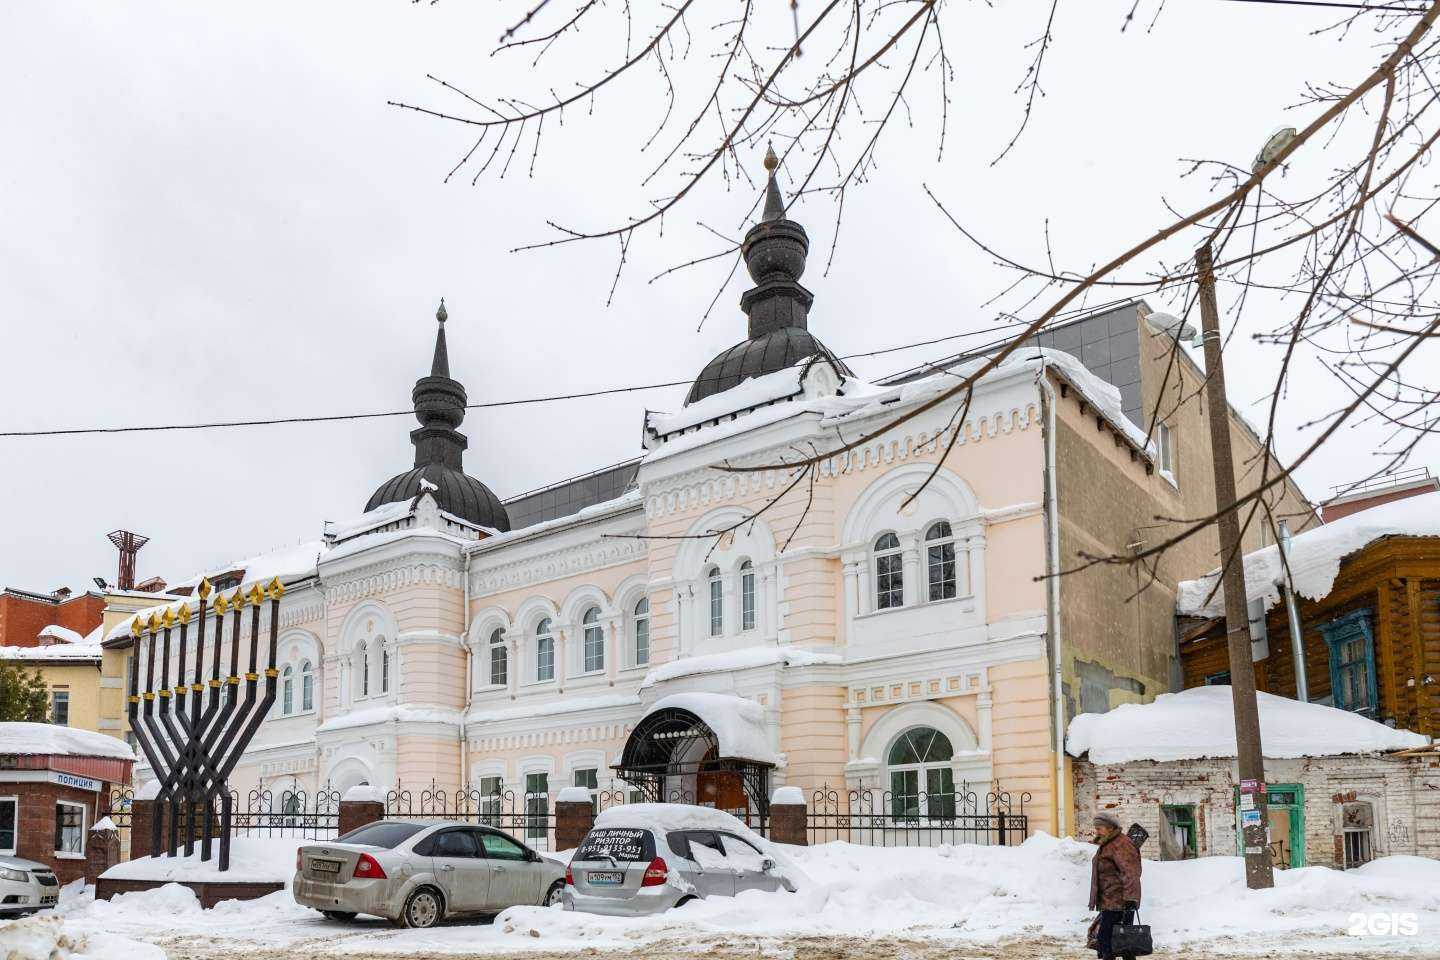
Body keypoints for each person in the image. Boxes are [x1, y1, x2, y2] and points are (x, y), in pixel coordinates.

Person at [1089, 812, 1142, 960]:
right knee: (1118, 940)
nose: (1096, 831)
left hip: (1121, 900)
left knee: (1111, 939)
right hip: (1110, 899)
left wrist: (1130, 898)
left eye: (1099, 828)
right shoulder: (1109, 843)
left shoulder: (1121, 844)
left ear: (1110, 828)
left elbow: (1131, 872)